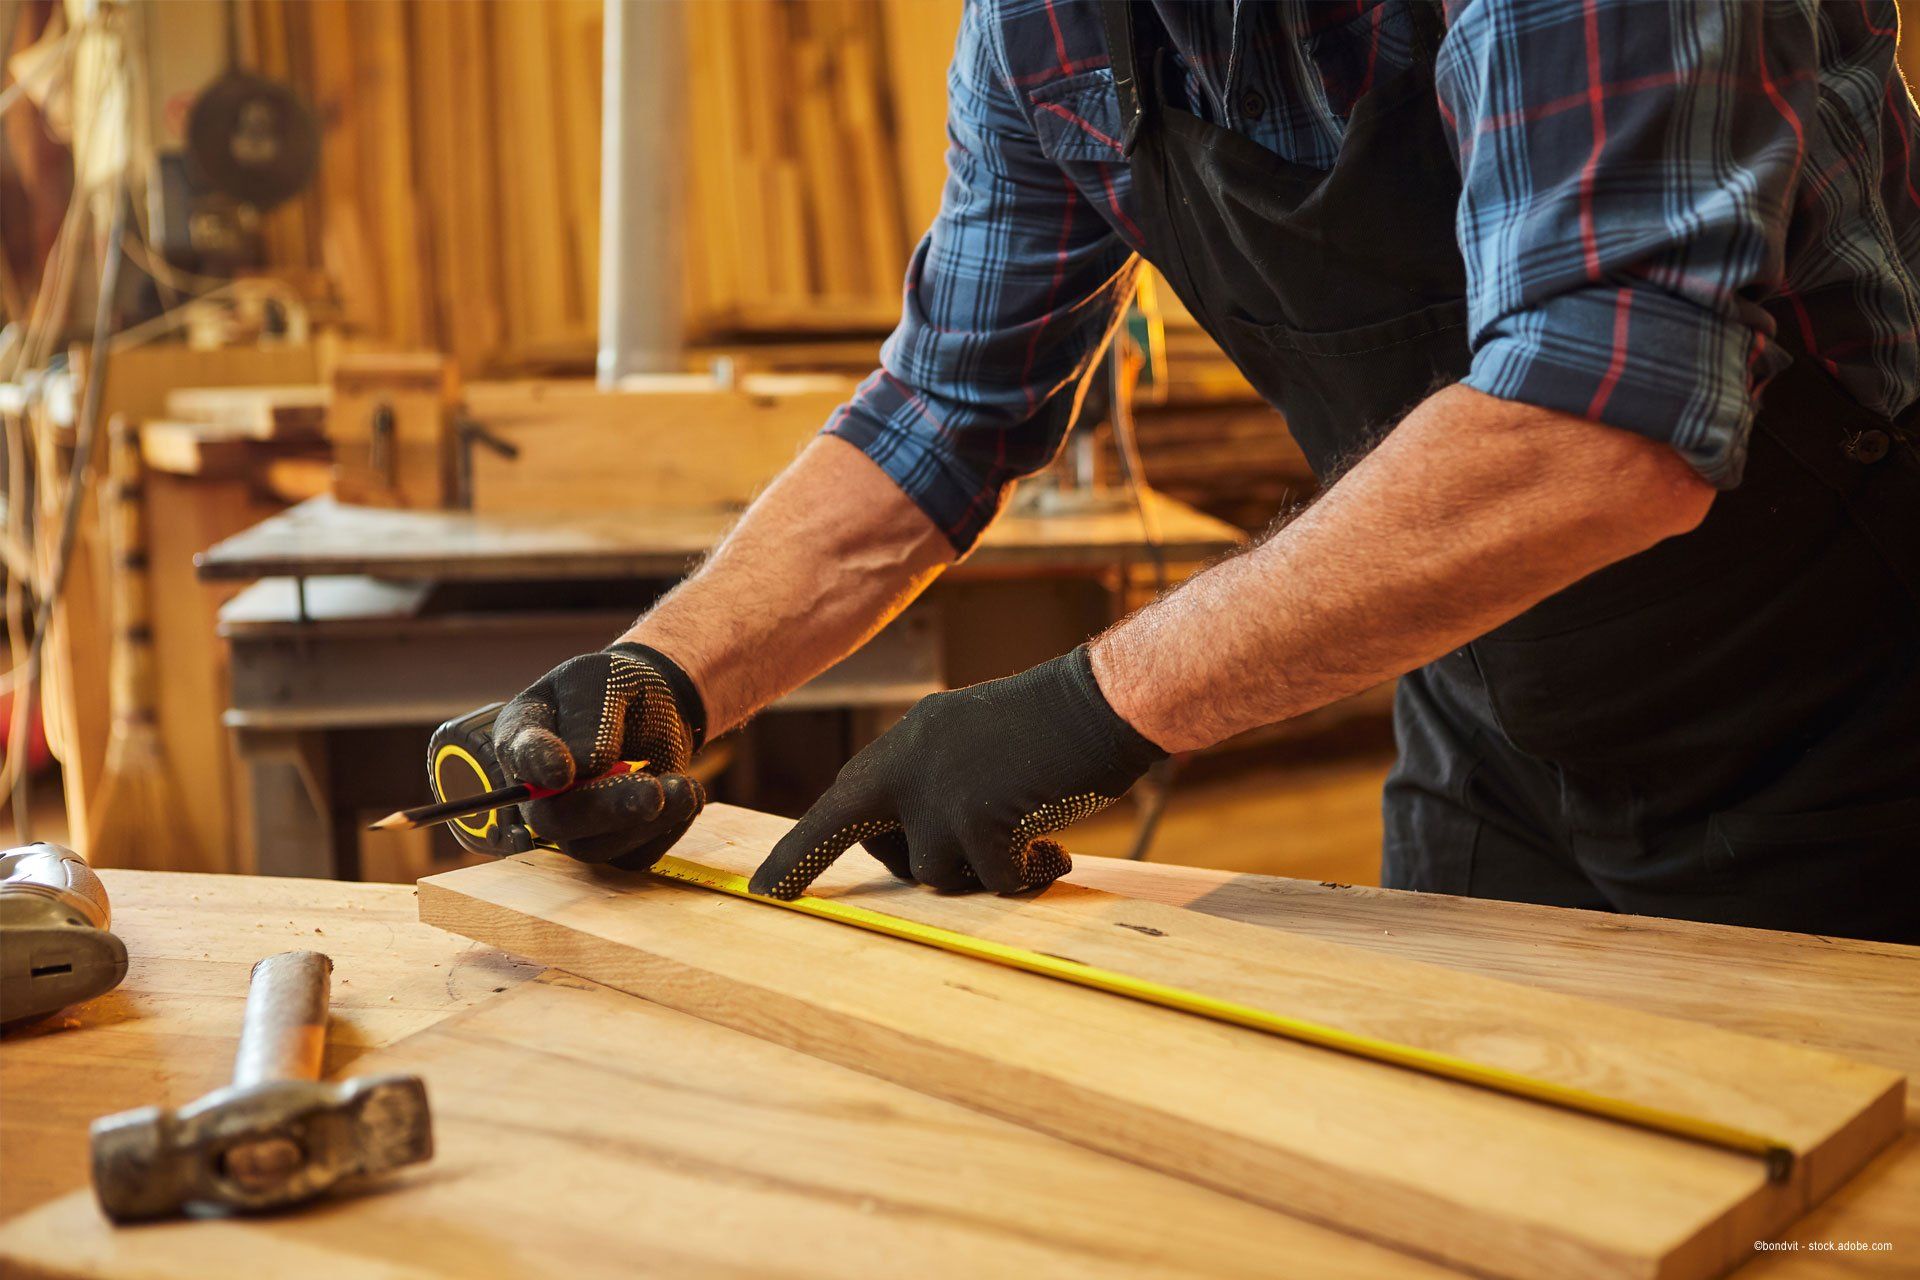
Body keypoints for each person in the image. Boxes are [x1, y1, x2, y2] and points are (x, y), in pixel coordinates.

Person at [470, 1, 1920, 943]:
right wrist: (664, 674)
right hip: (1492, 718)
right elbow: (941, 411)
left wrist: (1088, 708)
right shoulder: (1045, 29)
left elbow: (1603, 424)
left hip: (1843, 710)